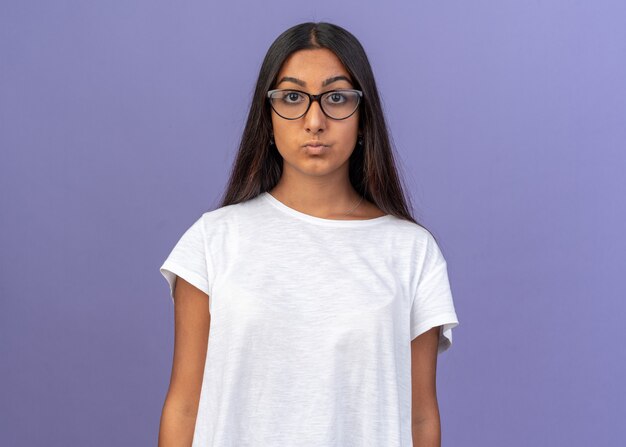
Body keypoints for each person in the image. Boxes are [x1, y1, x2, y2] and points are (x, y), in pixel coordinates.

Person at [157, 21, 459, 447]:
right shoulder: (213, 242)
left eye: (336, 98)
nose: (314, 121)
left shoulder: (411, 252)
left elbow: (422, 417)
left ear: (363, 117)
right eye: (292, 97)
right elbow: (184, 406)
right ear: (268, 115)